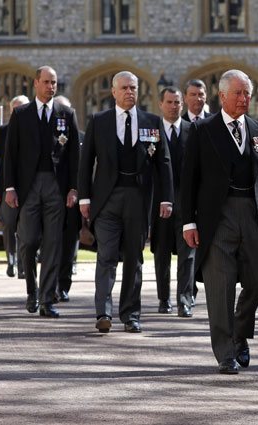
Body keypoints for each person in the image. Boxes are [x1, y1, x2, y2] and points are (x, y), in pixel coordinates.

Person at [181, 69, 258, 375]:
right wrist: (188, 223)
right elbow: (188, 180)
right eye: (238, 93)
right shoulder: (202, 130)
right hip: (217, 218)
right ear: (222, 96)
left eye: (248, 93)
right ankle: (225, 353)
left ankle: (240, 331)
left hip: (252, 214)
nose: (244, 98)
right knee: (220, 286)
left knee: (257, 280)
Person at [78, 71, 174, 334]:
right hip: (106, 199)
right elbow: (85, 163)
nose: (129, 92)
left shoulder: (152, 122)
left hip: (138, 198)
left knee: (134, 258)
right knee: (106, 256)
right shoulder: (99, 121)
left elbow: (163, 163)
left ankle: (131, 315)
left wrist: (166, 198)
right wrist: (84, 197)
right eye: (124, 88)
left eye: (133, 87)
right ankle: (103, 312)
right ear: (113, 91)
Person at [4, 66, 80, 318]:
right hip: (28, 186)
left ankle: (47, 299)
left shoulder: (66, 114)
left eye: (54, 82)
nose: (51, 86)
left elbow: (73, 157)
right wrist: (10, 187)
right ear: (35, 83)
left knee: (53, 244)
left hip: (56, 187)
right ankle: (31, 291)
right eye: (46, 82)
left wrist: (73, 189)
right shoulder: (21, 113)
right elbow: (11, 153)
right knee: (27, 240)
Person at [150, 86, 195, 318]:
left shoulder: (192, 130)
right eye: (169, 102)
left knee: (187, 254)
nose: (174, 106)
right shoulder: (152, 131)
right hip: (160, 203)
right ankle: (164, 298)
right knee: (162, 252)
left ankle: (184, 300)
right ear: (160, 104)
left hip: (186, 203)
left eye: (177, 102)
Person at [0, 95, 29, 279]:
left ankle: (23, 264)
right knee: (8, 225)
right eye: (17, 108)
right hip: (7, 188)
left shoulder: (32, 130)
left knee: (25, 227)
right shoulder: (2, 131)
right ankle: (11, 260)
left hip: (28, 189)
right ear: (12, 110)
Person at [181, 78, 212, 306]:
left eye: (201, 95)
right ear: (185, 98)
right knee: (186, 250)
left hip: (208, 197)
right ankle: (186, 295)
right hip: (183, 196)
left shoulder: (214, 124)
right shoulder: (177, 124)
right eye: (193, 94)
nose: (197, 99)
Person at [54, 95, 82, 303]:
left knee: (68, 242)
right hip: (50, 195)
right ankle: (47, 284)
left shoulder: (81, 136)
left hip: (72, 197)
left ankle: (63, 285)